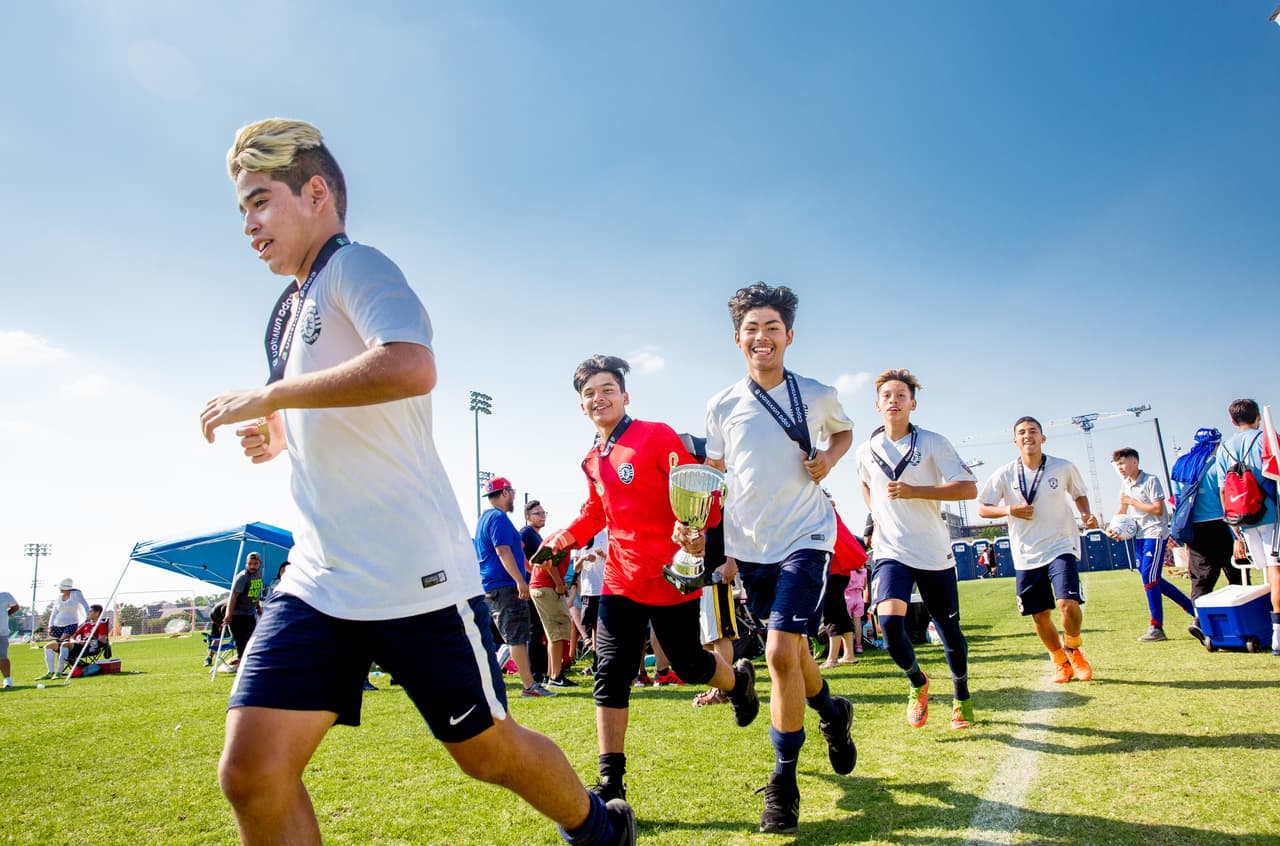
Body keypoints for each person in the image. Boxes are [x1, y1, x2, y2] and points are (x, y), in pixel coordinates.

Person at [199, 119, 633, 845]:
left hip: (415, 578)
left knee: (486, 752)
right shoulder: (286, 312)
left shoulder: (357, 266)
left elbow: (409, 363)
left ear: (315, 193)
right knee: (251, 771)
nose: (248, 224)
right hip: (320, 579)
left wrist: (269, 400)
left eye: (260, 201)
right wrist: (273, 432)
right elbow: (312, 403)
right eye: (240, 208)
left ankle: (596, 828)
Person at [538, 354, 759, 805]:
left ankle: (738, 682)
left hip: (671, 577)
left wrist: (697, 529)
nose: (598, 399)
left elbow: (706, 497)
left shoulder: (656, 436)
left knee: (689, 665)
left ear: (624, 395)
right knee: (610, 673)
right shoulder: (592, 459)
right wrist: (566, 536)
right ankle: (610, 782)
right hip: (620, 580)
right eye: (589, 394)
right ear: (581, 406)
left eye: (606, 389)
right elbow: (595, 513)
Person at [704, 284, 857, 834]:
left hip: (805, 538)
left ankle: (783, 783)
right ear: (737, 339)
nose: (761, 337)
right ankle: (833, 714)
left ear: (789, 335)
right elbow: (718, 472)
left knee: (775, 653)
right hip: (751, 546)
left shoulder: (816, 393)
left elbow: (843, 432)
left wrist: (829, 461)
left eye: (772, 327)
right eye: (751, 329)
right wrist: (700, 530)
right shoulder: (721, 403)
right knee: (791, 655)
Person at [856, 369, 978, 730]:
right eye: (887, 396)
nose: (893, 401)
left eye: (900, 395)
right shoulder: (866, 449)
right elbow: (865, 484)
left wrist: (916, 491)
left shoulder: (934, 443)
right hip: (891, 551)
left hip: (932, 551)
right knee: (890, 626)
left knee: (948, 630)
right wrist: (878, 517)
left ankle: (961, 697)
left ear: (913, 403)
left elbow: (968, 488)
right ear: (877, 404)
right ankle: (918, 682)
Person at [978, 417, 1098, 684]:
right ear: (1015, 441)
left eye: (1033, 431)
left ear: (1043, 438)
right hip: (1026, 553)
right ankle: (1059, 660)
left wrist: (1086, 513)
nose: (1027, 435)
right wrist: (1010, 510)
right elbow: (983, 507)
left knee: (1067, 604)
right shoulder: (1005, 474)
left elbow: (1078, 493)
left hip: (1061, 544)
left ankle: (1074, 649)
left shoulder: (1062, 467)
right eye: (1021, 432)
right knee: (1040, 615)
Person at [476, 478, 555, 699]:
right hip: (504, 585)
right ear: (504, 493)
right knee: (516, 638)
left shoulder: (485, 517)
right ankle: (529, 686)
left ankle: (499, 683)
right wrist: (520, 581)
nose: (513, 497)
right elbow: (503, 551)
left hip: (493, 585)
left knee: (506, 637)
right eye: (511, 492)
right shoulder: (498, 518)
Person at [1214, 399, 1280, 655]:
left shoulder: (1225, 449)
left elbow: (1222, 491)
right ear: (1257, 418)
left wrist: (1235, 533)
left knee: (1266, 572)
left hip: (1243, 518)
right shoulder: (1268, 438)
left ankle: (1268, 628)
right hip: (1272, 514)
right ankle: (1276, 635)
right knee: (1276, 573)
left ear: (1232, 421)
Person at [1108, 447, 1195, 642]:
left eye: (1123, 462)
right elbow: (1121, 510)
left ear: (1134, 462)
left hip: (1155, 533)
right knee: (1151, 577)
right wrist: (1113, 528)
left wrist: (1132, 501)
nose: (1120, 467)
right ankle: (1193, 609)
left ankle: (1157, 627)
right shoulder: (1125, 485)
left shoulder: (1150, 480)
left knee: (1149, 576)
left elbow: (1157, 509)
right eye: (1117, 464)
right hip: (1139, 536)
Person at [1169, 430, 1240, 625]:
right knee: (1236, 571)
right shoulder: (1219, 464)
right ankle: (1240, 619)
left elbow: (1177, 501)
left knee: (1200, 578)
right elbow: (1227, 496)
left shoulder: (1181, 465)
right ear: (1216, 444)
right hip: (1221, 524)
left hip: (1194, 527)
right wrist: (1238, 536)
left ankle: (1200, 621)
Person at [524, 500, 575, 688]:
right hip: (545, 587)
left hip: (542, 587)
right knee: (556, 631)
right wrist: (559, 585)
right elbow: (547, 561)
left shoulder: (558, 537)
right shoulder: (562, 538)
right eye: (538, 513)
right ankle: (555, 676)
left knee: (554, 631)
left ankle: (552, 674)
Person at [519, 499, 555, 686]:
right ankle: (534, 670)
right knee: (534, 630)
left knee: (540, 629)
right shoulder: (525, 533)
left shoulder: (537, 536)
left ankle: (540, 668)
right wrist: (531, 570)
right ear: (528, 517)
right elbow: (518, 551)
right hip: (531, 587)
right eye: (538, 514)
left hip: (539, 586)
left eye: (543, 513)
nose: (542, 516)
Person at [37, 578, 90, 680]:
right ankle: (50, 672)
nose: (60, 589)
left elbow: (85, 606)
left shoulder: (76, 595)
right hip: (58, 625)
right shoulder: (59, 597)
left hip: (71, 624)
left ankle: (59, 672)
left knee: (62, 643)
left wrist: (89, 618)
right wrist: (50, 625)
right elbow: (54, 612)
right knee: (49, 646)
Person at [226, 553, 264, 659]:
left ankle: (249, 663)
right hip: (237, 615)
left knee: (252, 641)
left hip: (250, 613)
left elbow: (255, 592)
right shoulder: (242, 577)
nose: (252, 566)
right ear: (246, 564)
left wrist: (258, 607)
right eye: (249, 564)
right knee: (241, 644)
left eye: (255, 564)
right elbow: (233, 596)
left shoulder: (259, 575)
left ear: (259, 564)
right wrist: (229, 615)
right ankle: (241, 667)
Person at [0, 588, 19, 688]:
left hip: (1, 632)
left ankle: (7, 680)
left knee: (2, 656)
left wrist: (6, 615)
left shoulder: (5, 595)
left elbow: (15, 607)